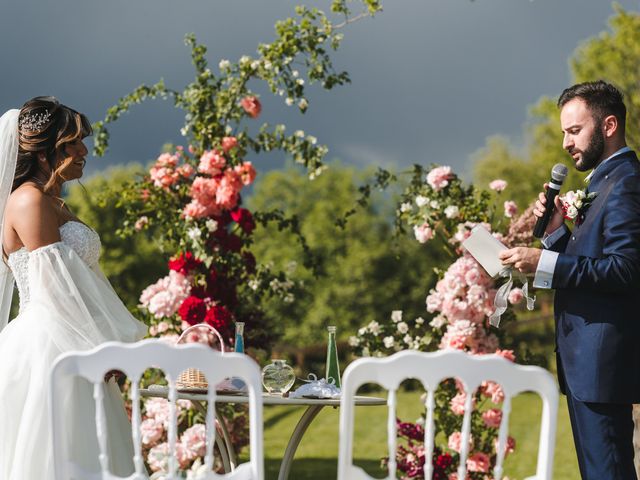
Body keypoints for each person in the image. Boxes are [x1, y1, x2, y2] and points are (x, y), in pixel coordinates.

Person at [0, 97, 147, 479]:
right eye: (72, 144)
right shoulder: (29, 200)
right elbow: (56, 288)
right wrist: (100, 349)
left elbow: (84, 281)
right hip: (50, 348)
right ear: (44, 151)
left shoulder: (55, 202)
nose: (84, 150)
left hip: (76, 337)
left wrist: (105, 344)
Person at [499, 80, 640, 479]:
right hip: (584, 368)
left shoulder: (627, 183)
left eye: (574, 130)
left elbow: (625, 269)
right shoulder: (602, 183)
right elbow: (591, 263)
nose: (565, 142)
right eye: (564, 131)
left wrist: (544, 263)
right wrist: (558, 234)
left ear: (609, 126)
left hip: (602, 367)